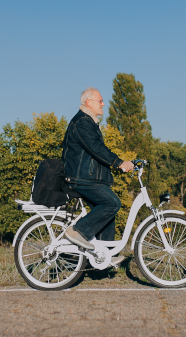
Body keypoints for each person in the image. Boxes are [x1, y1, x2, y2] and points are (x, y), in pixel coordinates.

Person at [61, 87, 134, 266]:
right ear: (89, 103)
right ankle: (78, 231)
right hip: (81, 177)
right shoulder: (83, 122)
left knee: (106, 212)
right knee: (112, 203)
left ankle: (105, 255)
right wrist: (119, 163)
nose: (103, 104)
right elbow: (97, 149)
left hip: (88, 177)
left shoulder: (89, 122)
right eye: (100, 101)